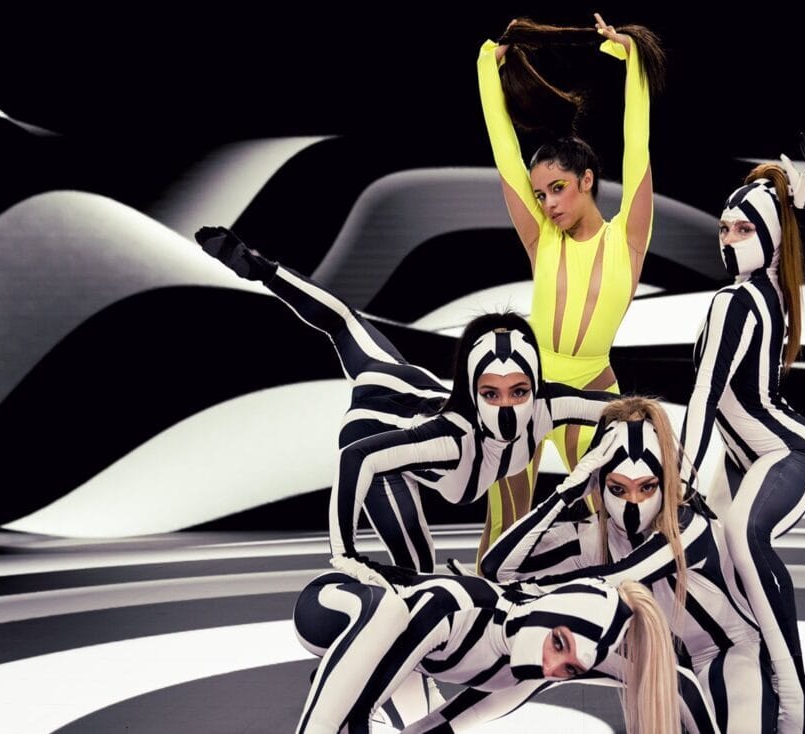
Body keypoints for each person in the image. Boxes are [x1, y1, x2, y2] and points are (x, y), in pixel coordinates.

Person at [193, 226, 616, 578]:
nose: (507, 409)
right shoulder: (452, 442)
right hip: (371, 431)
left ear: (536, 387)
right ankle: (261, 268)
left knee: (345, 323)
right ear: (472, 394)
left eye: (518, 391)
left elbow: (627, 410)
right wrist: (344, 553)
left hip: (401, 377)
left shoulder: (548, 405)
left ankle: (263, 270)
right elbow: (357, 458)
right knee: (418, 574)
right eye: (491, 393)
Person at [475, 12, 664, 559]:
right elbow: (504, 151)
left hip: (593, 393)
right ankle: (484, 599)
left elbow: (638, 145)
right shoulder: (541, 239)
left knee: (616, 521)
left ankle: (623, 604)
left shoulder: (627, 239)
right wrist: (488, 71)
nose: (548, 203)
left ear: (587, 180)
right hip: (530, 392)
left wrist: (633, 64)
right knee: (505, 521)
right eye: (540, 195)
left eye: (557, 188)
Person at [678, 139, 805, 734]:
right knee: (722, 561)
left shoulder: (739, 301)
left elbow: (705, 395)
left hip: (787, 453)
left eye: (743, 229)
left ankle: (793, 700)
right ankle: (750, 696)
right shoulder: (763, 291)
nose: (728, 240)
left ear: (770, 237)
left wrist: (679, 477)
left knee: (742, 538)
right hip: (748, 459)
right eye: (724, 229)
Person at [481, 397, 775, 732]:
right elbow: (497, 567)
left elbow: (621, 576)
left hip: (729, 654)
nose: (632, 502)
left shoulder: (688, 526)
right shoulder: (591, 537)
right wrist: (565, 492)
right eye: (617, 488)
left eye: (647, 487)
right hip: (663, 668)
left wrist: (533, 592)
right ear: (598, 481)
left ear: (665, 478)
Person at [292, 567, 679, 734]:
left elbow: (664, 678)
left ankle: (339, 680)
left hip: (408, 660)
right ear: (545, 612)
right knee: (388, 614)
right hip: (335, 605)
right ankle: (331, 683)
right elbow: (354, 716)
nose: (552, 667)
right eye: (559, 643)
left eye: (571, 669)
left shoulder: (530, 671)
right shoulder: (456, 609)